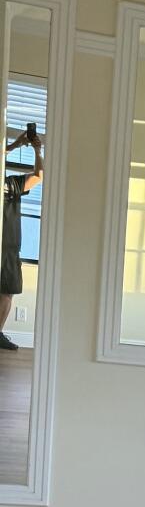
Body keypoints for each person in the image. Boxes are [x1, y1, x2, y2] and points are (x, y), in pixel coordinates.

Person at [1, 121, 42, 351]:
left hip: (9, 247)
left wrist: (37, 150)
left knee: (8, 291)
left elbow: (38, 176)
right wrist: (14, 145)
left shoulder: (12, 184)